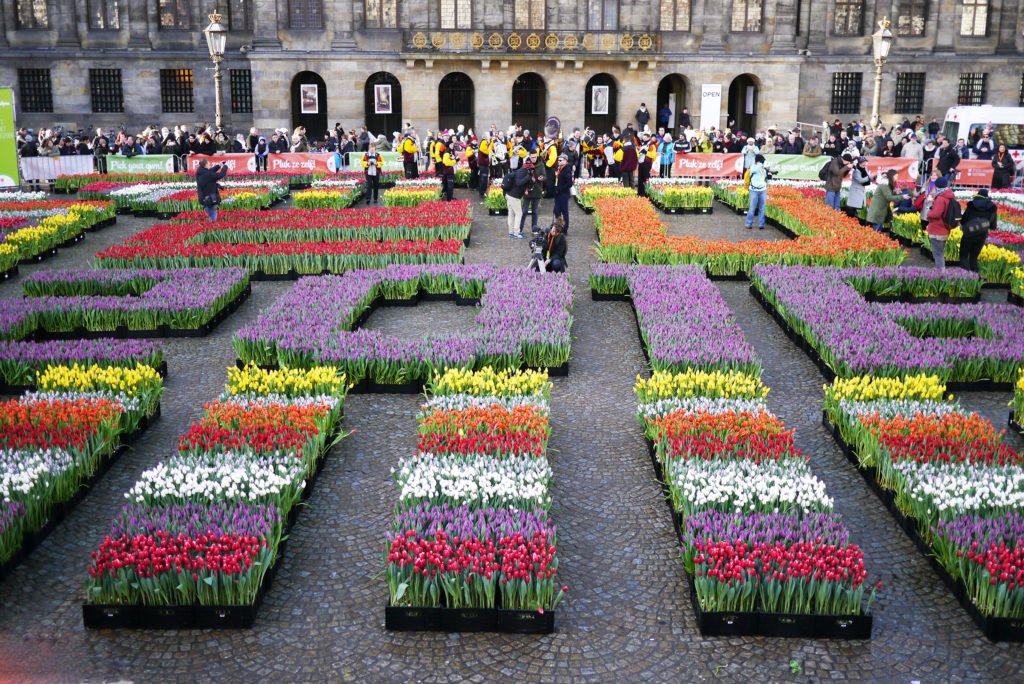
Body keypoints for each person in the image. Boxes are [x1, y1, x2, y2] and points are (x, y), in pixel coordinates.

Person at [958, 188, 996, 273]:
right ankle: (975, 278)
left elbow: (964, 220)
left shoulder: (971, 205)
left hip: (968, 234)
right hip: (981, 236)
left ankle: (966, 278)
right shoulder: (992, 208)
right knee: (973, 258)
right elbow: (993, 226)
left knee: (963, 256)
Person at [925, 176, 956, 270]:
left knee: (937, 253)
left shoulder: (941, 198)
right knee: (940, 251)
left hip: (937, 229)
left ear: (937, 186)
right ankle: (940, 270)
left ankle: (940, 272)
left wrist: (928, 212)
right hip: (944, 228)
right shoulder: (949, 196)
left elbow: (936, 214)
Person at [502, 160, 531, 239]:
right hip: (514, 197)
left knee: (511, 214)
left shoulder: (518, 171)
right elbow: (519, 183)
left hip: (509, 195)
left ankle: (511, 232)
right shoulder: (524, 173)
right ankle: (516, 233)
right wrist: (528, 177)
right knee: (519, 214)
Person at [521, 152, 545, 234]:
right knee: (524, 211)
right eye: (532, 157)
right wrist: (524, 189)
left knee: (535, 211)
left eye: (535, 157)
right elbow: (522, 177)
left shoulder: (541, 165)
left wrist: (542, 178)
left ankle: (534, 228)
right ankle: (519, 228)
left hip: (537, 190)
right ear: (529, 157)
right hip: (527, 191)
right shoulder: (525, 165)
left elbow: (545, 176)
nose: (533, 159)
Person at [745, 154, 768, 230]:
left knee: (762, 208)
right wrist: (760, 164)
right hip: (754, 190)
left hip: (763, 190)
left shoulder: (763, 169)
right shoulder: (753, 166)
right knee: (752, 207)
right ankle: (748, 223)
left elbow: (765, 178)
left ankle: (761, 224)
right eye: (762, 161)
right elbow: (754, 171)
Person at [552, 153, 573, 235]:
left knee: (564, 212)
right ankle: (558, 226)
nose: (558, 161)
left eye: (560, 160)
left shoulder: (567, 169)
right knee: (557, 211)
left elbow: (569, 183)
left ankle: (564, 228)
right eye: (558, 160)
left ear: (565, 161)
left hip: (563, 194)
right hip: (558, 193)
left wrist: (559, 189)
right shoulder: (560, 168)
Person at [476, 134, 492, 199]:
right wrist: (490, 152)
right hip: (483, 164)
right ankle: (482, 192)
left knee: (483, 177)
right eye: (489, 137)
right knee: (484, 178)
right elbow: (484, 150)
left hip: (483, 164)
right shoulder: (484, 142)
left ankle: (482, 192)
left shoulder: (484, 142)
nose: (490, 138)